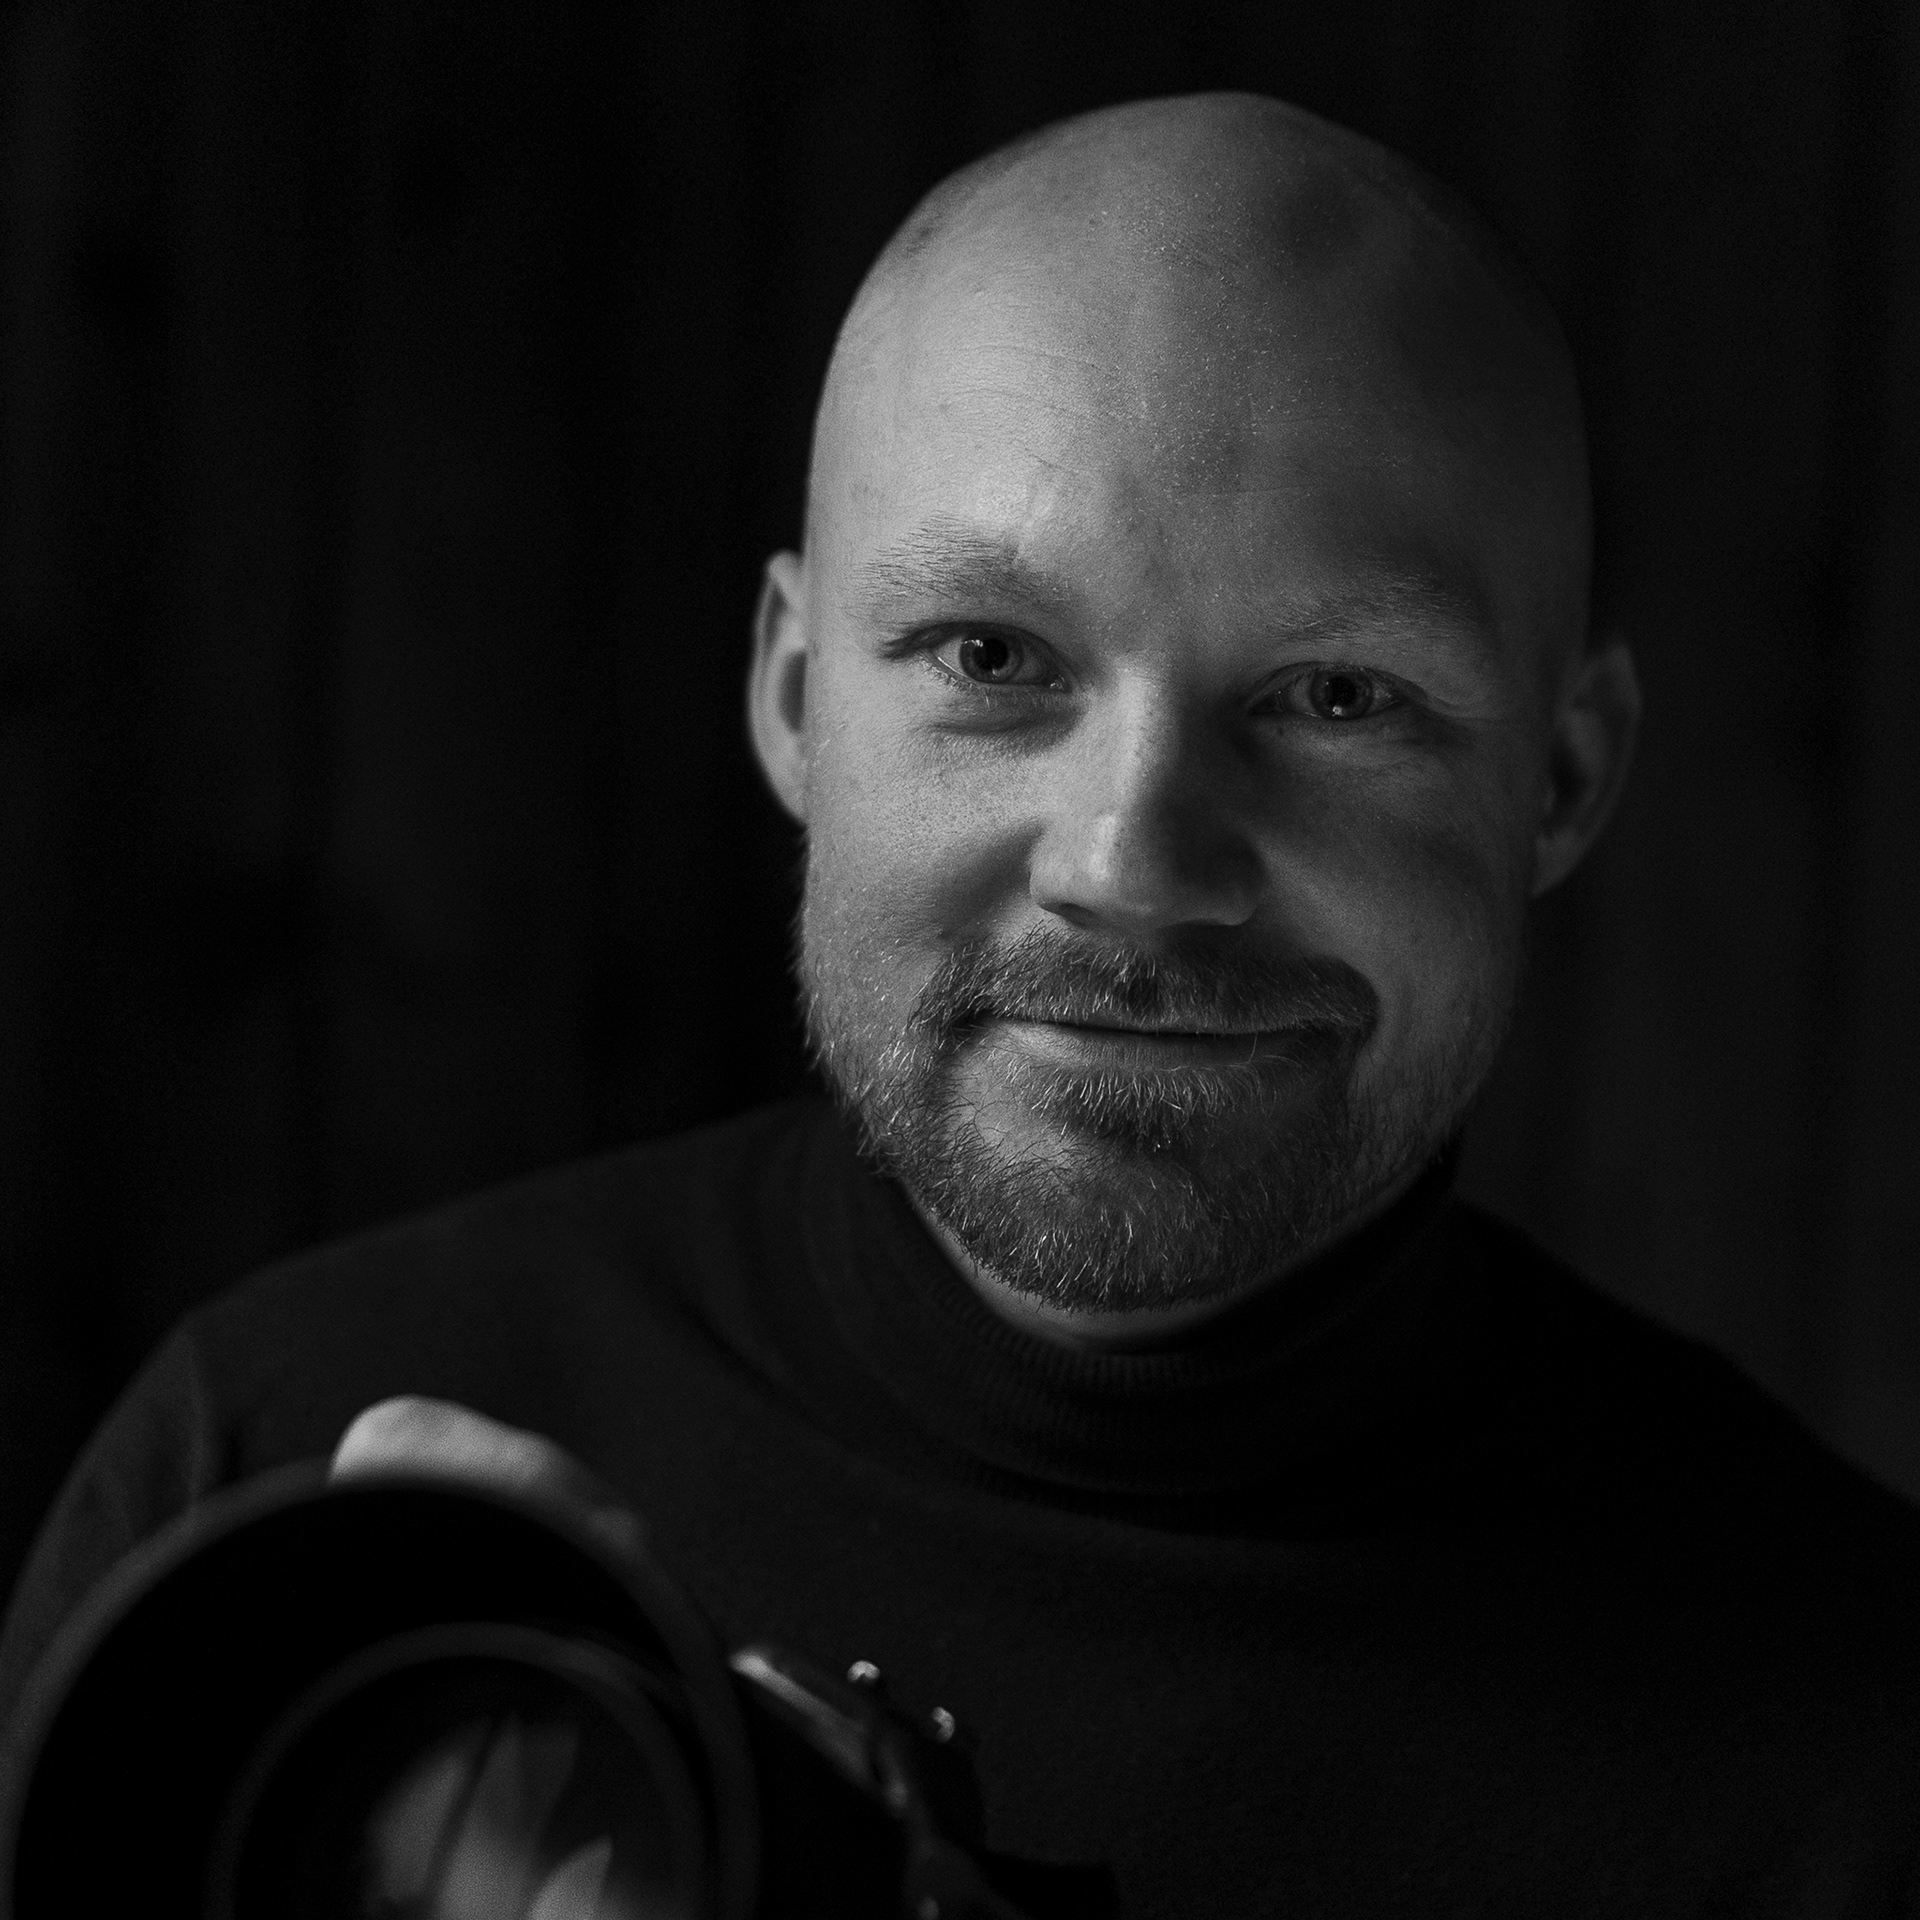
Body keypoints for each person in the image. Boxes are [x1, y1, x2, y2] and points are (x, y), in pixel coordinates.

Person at [4, 90, 1918, 1916]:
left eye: (1338, 695)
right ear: (797, 699)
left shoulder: (1860, 1756)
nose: (1134, 859)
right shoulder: (261, 1496)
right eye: (992, 657)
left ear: (1563, 778)